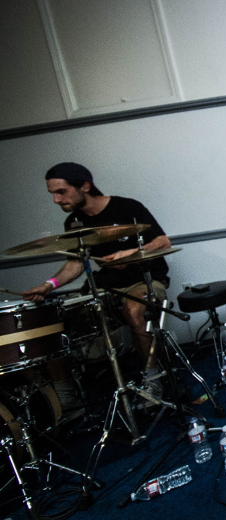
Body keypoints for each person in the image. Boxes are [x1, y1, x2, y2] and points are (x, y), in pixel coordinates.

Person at [23, 163, 172, 405]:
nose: (56, 200)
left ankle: (152, 379)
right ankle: (66, 397)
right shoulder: (74, 222)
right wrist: (48, 285)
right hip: (105, 286)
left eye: (61, 192)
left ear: (85, 186)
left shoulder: (127, 207)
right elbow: (76, 263)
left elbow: (163, 242)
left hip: (144, 280)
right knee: (50, 320)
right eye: (53, 193)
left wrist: (130, 254)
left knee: (135, 310)